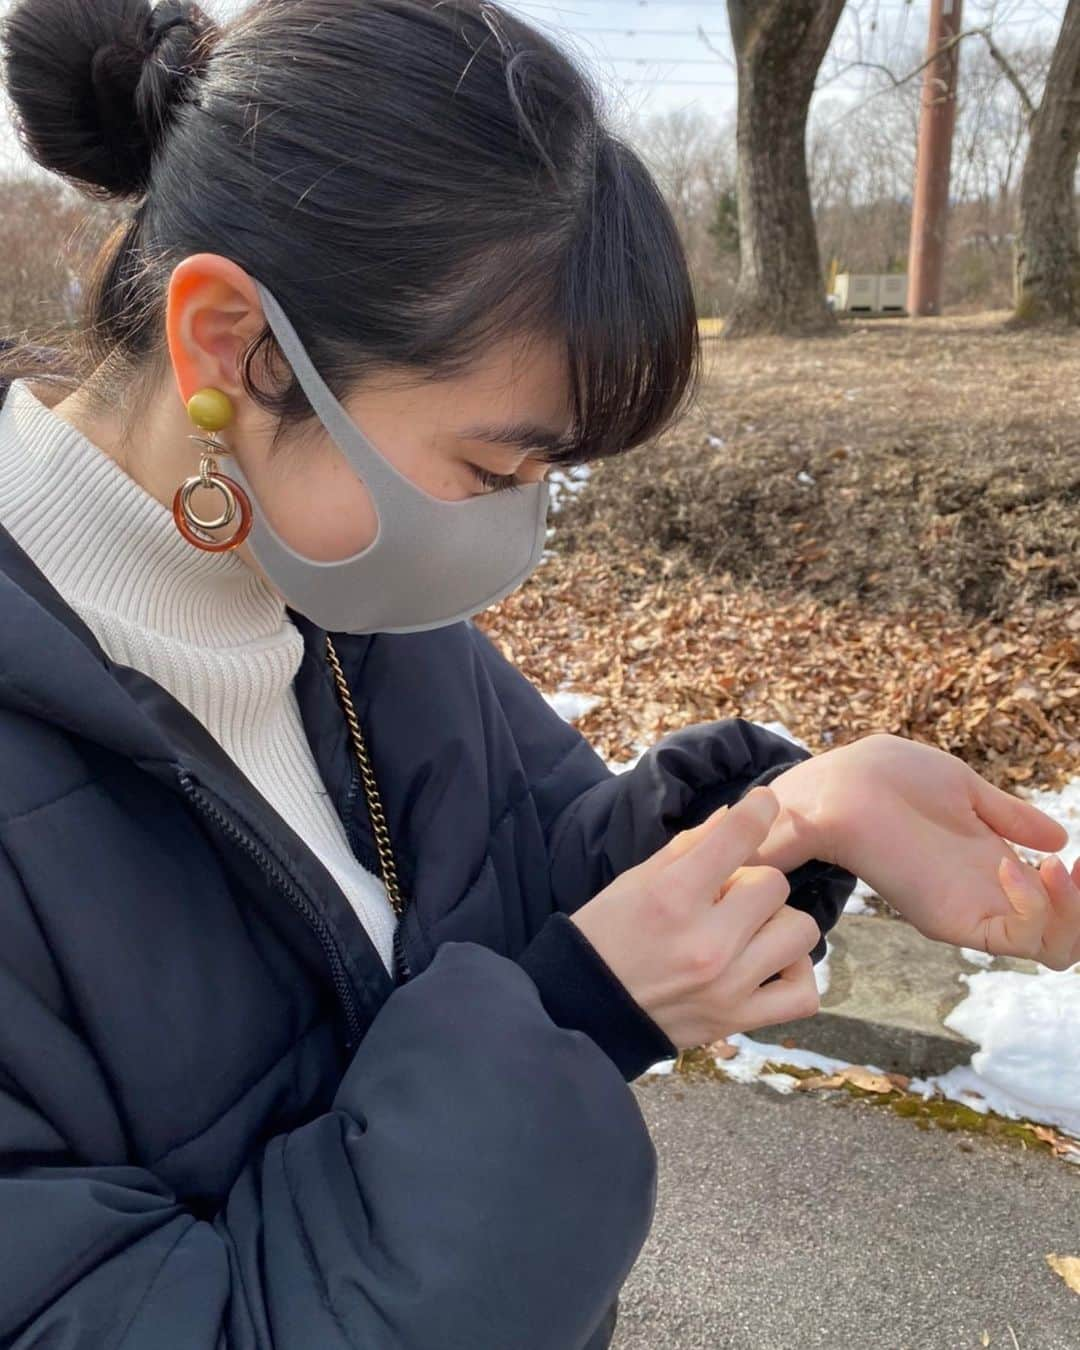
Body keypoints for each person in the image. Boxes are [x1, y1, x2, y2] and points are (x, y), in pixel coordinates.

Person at [0, 1, 1077, 1346]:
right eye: (490, 471)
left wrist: (790, 818)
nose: (508, 539)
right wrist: (581, 1006)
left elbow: (537, 879)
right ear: (232, 346)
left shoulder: (348, 591)